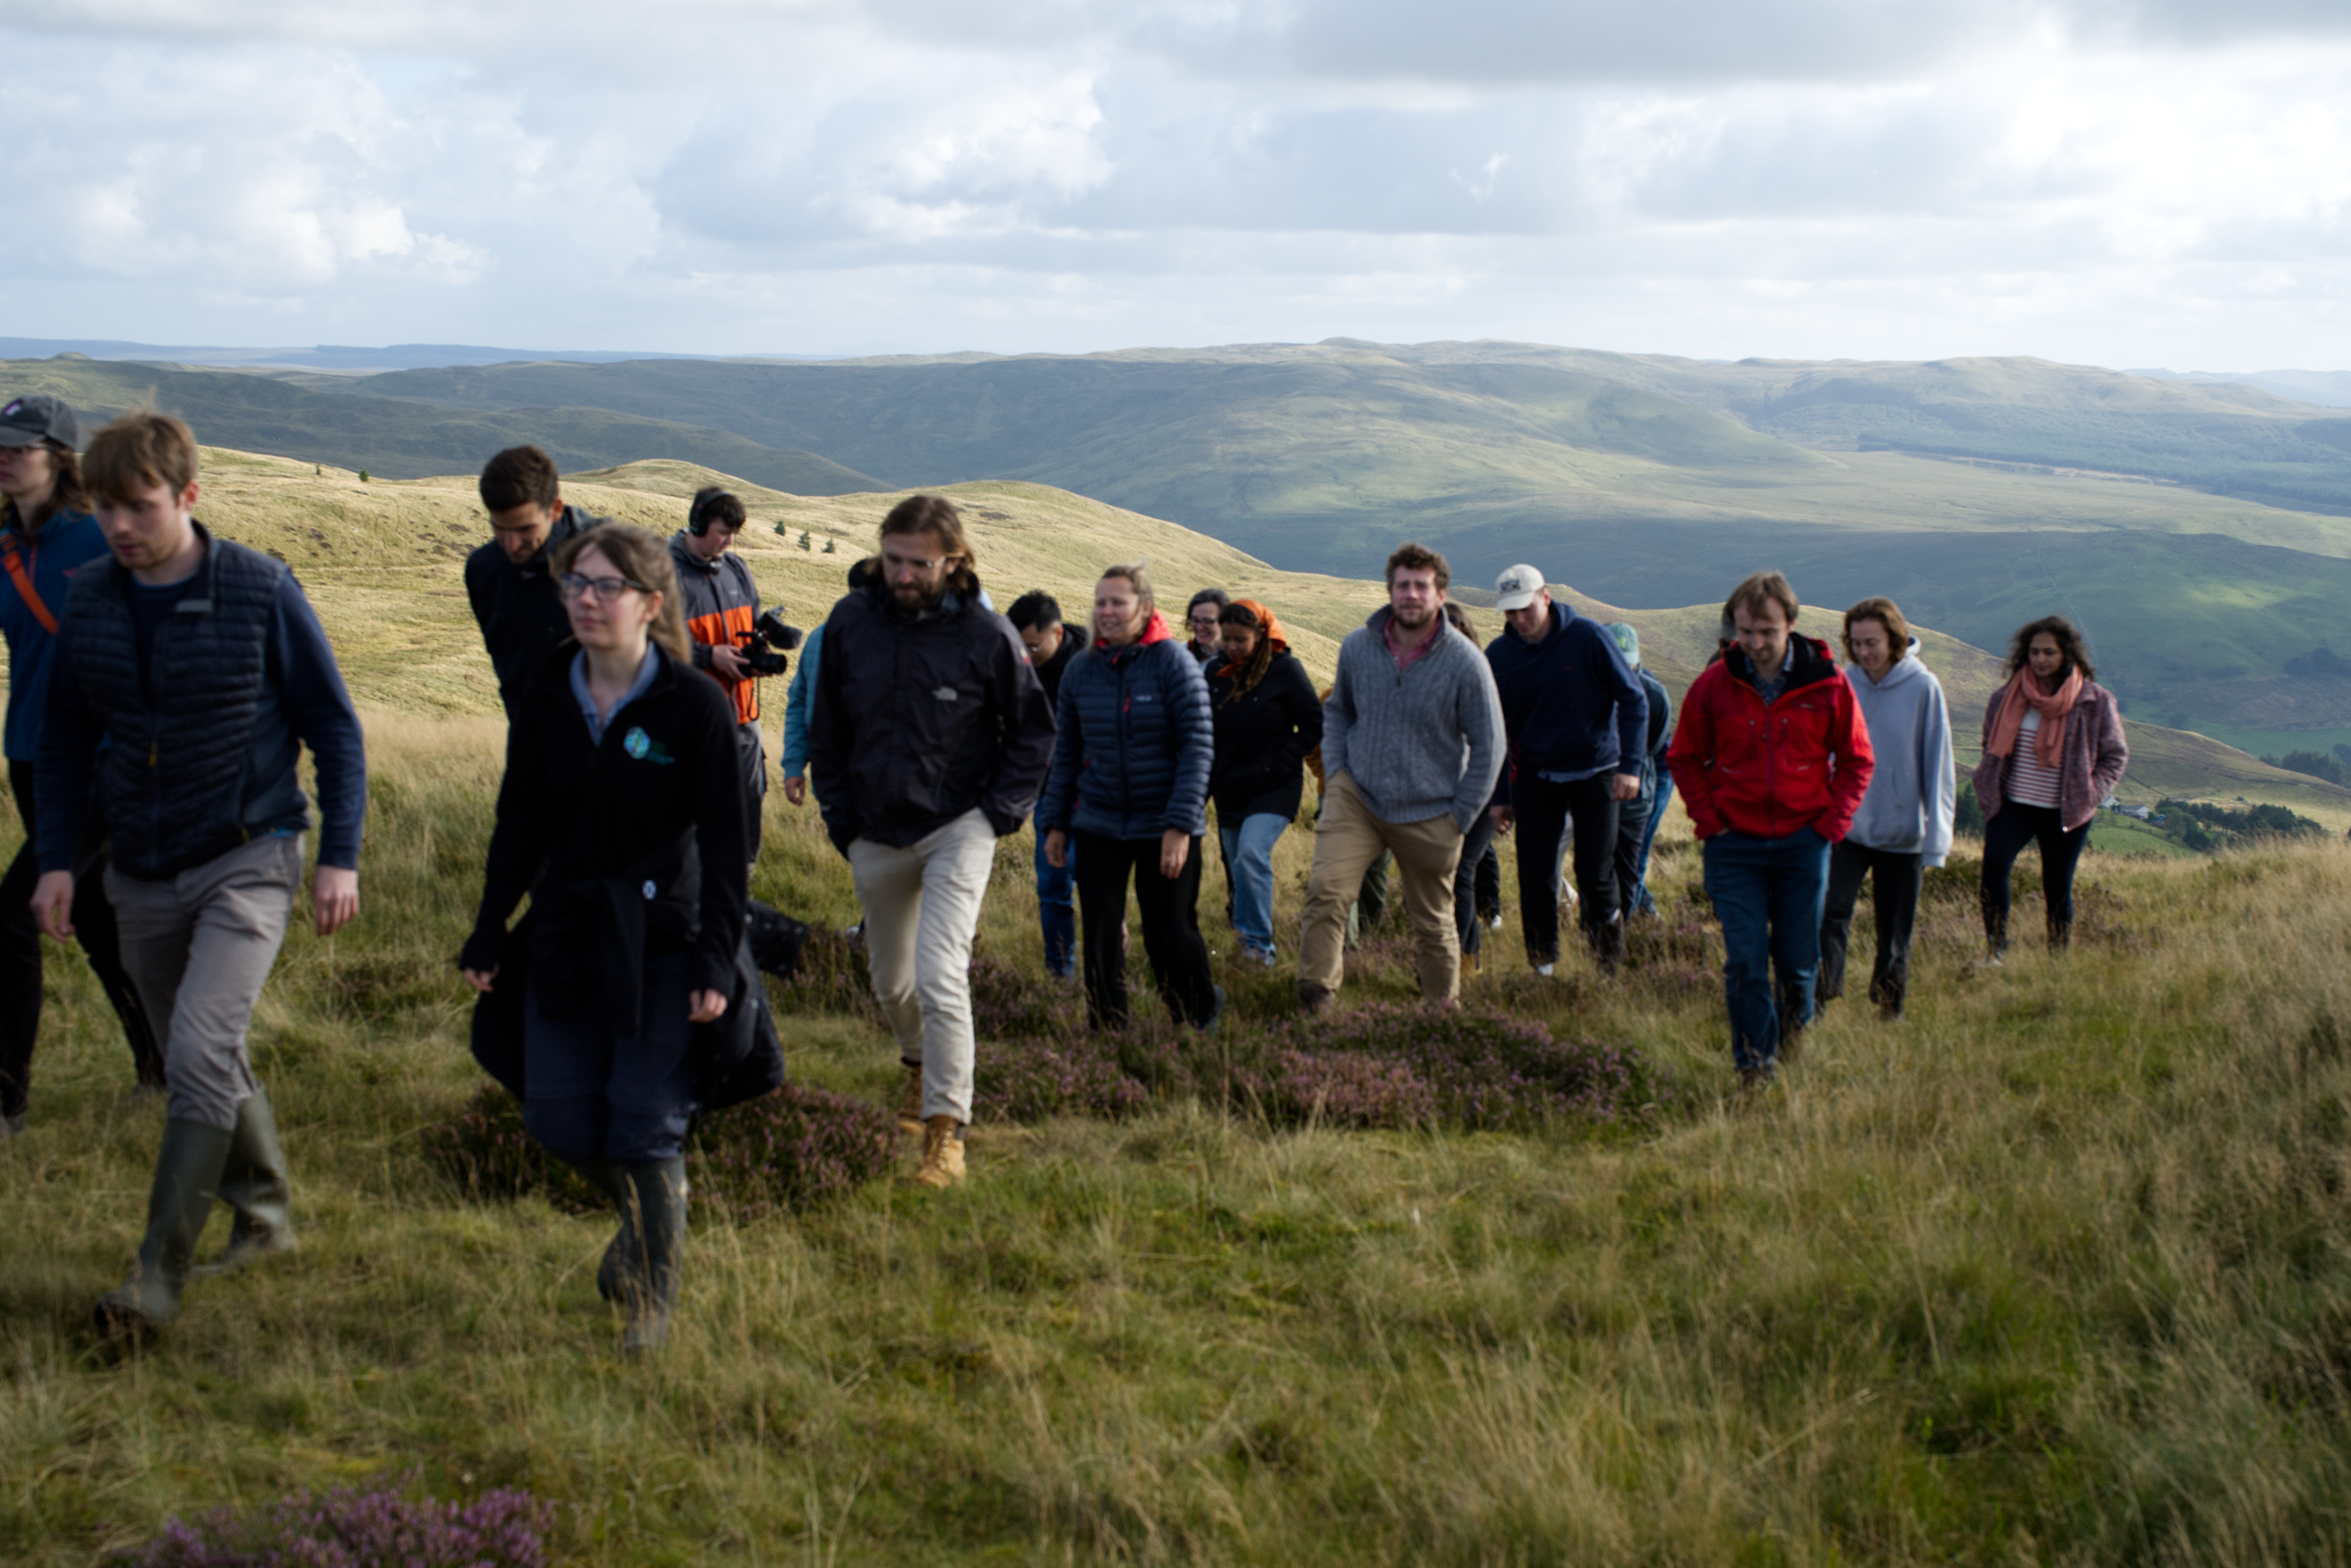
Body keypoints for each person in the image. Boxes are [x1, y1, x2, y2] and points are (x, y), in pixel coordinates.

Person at [35, 411, 366, 1335]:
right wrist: (58, 859)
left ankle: (156, 1277)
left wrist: (340, 852)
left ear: (187, 496)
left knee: (192, 1055)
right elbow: (64, 737)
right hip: (136, 868)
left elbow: (333, 725)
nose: (121, 527)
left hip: (248, 853)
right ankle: (264, 1216)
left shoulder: (259, 589)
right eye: (104, 508)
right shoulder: (91, 596)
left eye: (139, 506)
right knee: (206, 1047)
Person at [459, 524, 746, 1353]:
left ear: (651, 604)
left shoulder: (691, 705)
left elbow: (726, 845)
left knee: (642, 1118)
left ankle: (650, 1299)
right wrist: (489, 925)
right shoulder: (549, 691)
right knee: (556, 1119)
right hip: (567, 927)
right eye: (574, 584)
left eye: (606, 587)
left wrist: (716, 956)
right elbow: (520, 818)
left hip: (663, 934)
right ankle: (649, 1217)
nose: (585, 599)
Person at [807, 496, 1055, 1188]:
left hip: (958, 825)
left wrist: (996, 814)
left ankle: (946, 1131)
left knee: (942, 973)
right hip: (874, 830)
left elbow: (1034, 729)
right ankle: (916, 1065)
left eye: (919, 562)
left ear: (954, 560)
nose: (904, 573)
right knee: (890, 979)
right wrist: (842, 820)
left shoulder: (985, 634)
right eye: (893, 559)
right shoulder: (850, 621)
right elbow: (826, 725)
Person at [0, 395, 165, 1134]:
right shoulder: (5, 545)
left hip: (105, 762)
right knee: (96, 918)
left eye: (22, 445)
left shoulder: (100, 539)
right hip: (32, 756)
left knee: (8, 916)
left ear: (60, 457)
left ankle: (6, 1099)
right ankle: (161, 1066)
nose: (6, 455)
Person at [1667, 571, 1872, 1088]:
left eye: (1767, 632)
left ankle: (1796, 1040)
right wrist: (1709, 822)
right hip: (1734, 847)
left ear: (1792, 626)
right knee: (1746, 962)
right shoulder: (1716, 683)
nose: (1755, 644)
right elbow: (1684, 756)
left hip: (1805, 844)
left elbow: (1857, 761)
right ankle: (1754, 1066)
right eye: (1745, 632)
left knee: (1800, 961)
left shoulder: (1827, 684)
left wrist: (1830, 826)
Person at [1298, 543, 1503, 1011]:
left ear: (1440, 593)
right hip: (1358, 797)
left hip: (1432, 808)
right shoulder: (1358, 646)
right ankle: (1316, 998)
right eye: (1402, 585)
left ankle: (1439, 1007)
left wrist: (1462, 815)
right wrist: (1337, 775)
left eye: (1421, 585)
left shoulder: (1466, 662)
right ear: (1390, 590)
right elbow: (1338, 711)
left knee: (1432, 919)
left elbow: (1491, 744)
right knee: (1325, 892)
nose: (1411, 594)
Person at [1041, 565, 1220, 1028]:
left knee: (1168, 932)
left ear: (1144, 608)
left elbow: (1197, 747)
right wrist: (1056, 822)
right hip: (1098, 820)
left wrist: (1181, 826)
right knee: (1100, 930)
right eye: (1101, 602)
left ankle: (1196, 1015)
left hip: (1165, 823)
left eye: (1117, 602)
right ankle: (1107, 1028)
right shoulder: (1081, 668)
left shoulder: (1173, 663)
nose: (1107, 611)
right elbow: (1067, 753)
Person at [1483, 566, 1647, 974]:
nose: (1519, 619)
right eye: (1510, 613)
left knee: (1595, 873)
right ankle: (1544, 971)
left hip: (1597, 771)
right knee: (1535, 876)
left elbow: (1634, 700)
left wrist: (1630, 766)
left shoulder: (1588, 638)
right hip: (1537, 777)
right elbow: (1498, 733)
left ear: (1546, 597)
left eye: (1525, 608)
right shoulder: (1499, 657)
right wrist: (1501, 797)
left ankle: (1608, 962)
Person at [1817, 599, 1954, 1018]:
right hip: (1848, 827)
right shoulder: (1844, 682)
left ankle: (1890, 1008)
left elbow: (1939, 767)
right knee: (1828, 912)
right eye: (1856, 643)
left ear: (1894, 639)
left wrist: (1937, 842)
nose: (1864, 652)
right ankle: (1820, 996)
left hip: (1902, 834)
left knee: (1894, 931)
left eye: (1872, 642)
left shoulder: (1924, 687)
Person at [1973, 615, 2127, 959]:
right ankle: (1997, 950)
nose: (2040, 660)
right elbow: (1990, 744)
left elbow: (2115, 755)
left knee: (2057, 885)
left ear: (2066, 655)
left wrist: (2092, 792)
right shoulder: (2007, 697)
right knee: (1994, 868)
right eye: (2034, 653)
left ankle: (2057, 960)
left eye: (2049, 652)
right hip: (2014, 805)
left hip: (2066, 809)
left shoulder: (2095, 701)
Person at [1205, 598, 1321, 968]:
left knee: (1251, 855)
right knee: (1238, 867)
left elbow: (1314, 724)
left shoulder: (1285, 670)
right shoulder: (1215, 673)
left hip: (1275, 786)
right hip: (1230, 786)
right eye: (1226, 639)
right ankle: (1246, 941)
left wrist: (1282, 759)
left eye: (1241, 640)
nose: (1232, 647)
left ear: (1261, 635)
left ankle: (1260, 949)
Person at [667, 488, 771, 857]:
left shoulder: (736, 568)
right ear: (698, 524)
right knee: (693, 808)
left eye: (733, 534)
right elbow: (654, 644)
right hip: (692, 720)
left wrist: (761, 650)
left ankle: (741, 882)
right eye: (722, 533)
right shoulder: (664, 574)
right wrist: (708, 656)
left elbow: (754, 621)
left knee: (748, 800)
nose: (729, 541)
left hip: (743, 714)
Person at [466, 445, 605, 719]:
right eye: (499, 529)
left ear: (555, 509)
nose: (512, 545)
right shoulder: (483, 570)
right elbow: (507, 667)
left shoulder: (608, 559)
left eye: (525, 529)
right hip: (528, 731)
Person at [1008, 590, 1080, 980]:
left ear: (1058, 632)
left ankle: (1109, 973)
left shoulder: (1090, 663)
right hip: (1049, 794)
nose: (1026, 656)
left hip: (1096, 795)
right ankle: (1060, 974)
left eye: (1033, 647)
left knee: (1101, 891)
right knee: (1052, 885)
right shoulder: (1020, 668)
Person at [1439, 602, 1503, 976]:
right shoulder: (1426, 677)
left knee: (1461, 870)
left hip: (1483, 792)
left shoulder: (1483, 677)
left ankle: (1459, 959)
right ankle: (1469, 955)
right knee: (1447, 874)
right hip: (1442, 795)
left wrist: (1504, 801)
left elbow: (1499, 744)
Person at [1603, 622, 1673, 922]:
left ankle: (1627, 923)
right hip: (1600, 788)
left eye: (1628, 665)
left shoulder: (1654, 694)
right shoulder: (1586, 688)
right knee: (1599, 865)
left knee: (1634, 858)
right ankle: (1597, 930)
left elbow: (1654, 747)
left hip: (1647, 781)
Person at [1184, 587, 1229, 664]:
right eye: (1195, 620)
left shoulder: (1236, 657)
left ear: (1224, 622)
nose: (1199, 628)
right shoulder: (1181, 654)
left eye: (1208, 621)